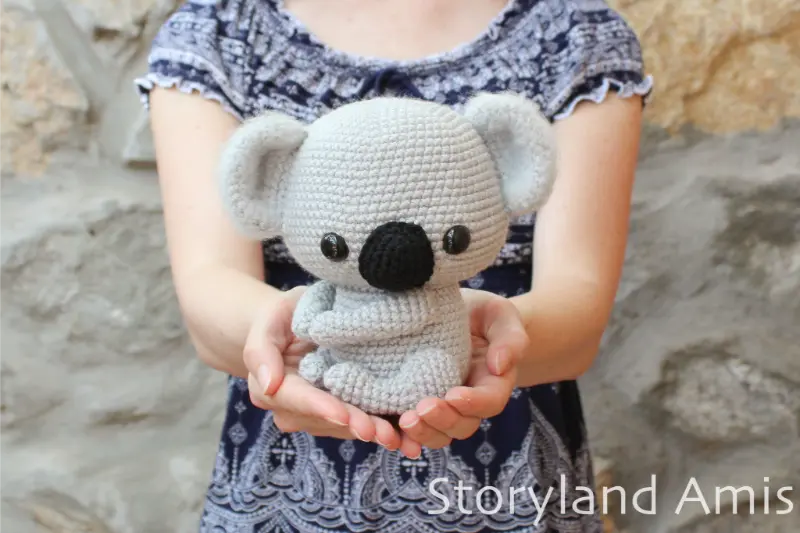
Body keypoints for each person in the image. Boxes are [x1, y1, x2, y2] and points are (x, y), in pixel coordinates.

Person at [135, 0, 652, 531]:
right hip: (290, 463)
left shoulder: (575, 34)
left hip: (508, 460)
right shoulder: (221, 32)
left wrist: (481, 342)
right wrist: (292, 338)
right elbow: (208, 286)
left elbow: (579, 304)